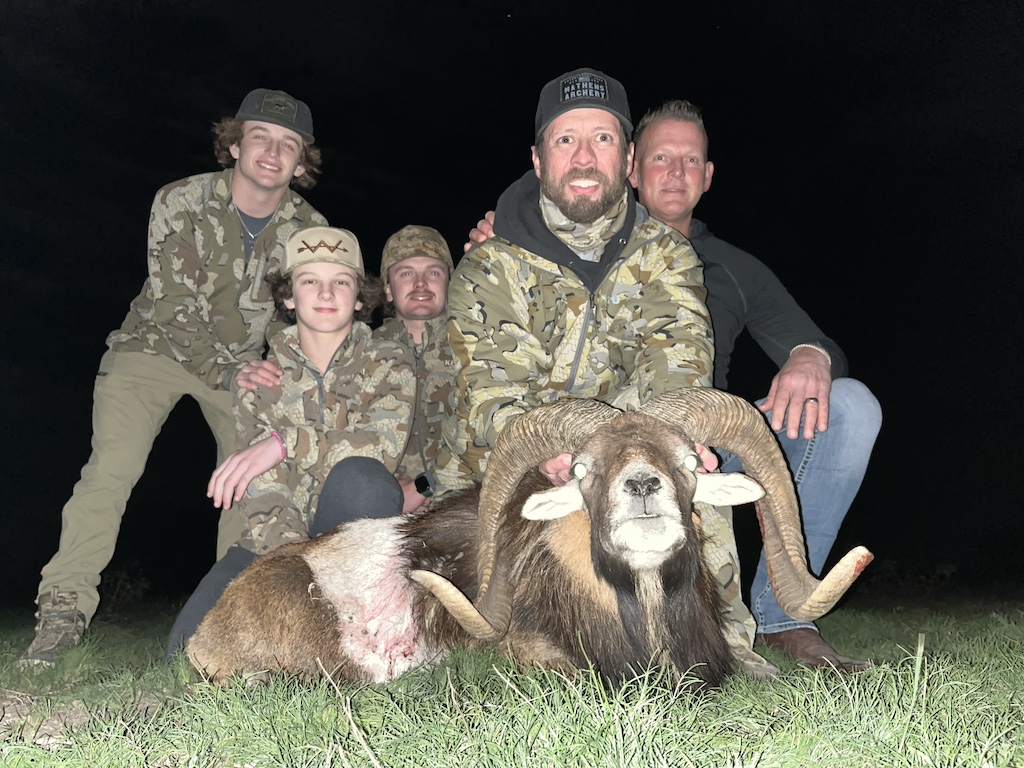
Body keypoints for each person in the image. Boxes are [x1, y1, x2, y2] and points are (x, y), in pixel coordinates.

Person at [437, 68, 772, 677]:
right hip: (513, 468)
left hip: (626, 455)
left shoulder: (667, 255)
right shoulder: (490, 266)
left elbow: (678, 374)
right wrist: (556, 455)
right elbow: (491, 399)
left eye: (603, 139)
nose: (585, 157)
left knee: (688, 471)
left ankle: (727, 640)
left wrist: (675, 443)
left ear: (628, 160)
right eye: (565, 140)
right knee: (511, 616)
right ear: (538, 160)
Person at [22, 88, 327, 667]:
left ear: (300, 163)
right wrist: (230, 370)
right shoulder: (181, 200)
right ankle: (62, 608)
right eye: (260, 137)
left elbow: (302, 316)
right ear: (234, 145)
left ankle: (235, 618)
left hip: (242, 364)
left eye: (288, 144)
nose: (272, 152)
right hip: (153, 348)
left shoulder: (308, 230)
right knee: (111, 470)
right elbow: (173, 307)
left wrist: (281, 378)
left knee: (256, 477)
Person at [628, 100, 881, 670]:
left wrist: (810, 356)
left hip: (710, 448)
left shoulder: (733, 267)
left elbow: (819, 344)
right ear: (631, 170)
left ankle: (784, 615)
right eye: (660, 158)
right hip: (617, 442)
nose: (676, 172)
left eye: (690, 160)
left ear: (708, 176)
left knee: (850, 406)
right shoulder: (591, 249)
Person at [165, 226, 416, 655]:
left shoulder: (390, 360)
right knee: (185, 652)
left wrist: (283, 444)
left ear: (359, 298)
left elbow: (379, 447)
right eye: (309, 280)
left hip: (354, 537)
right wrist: (291, 570)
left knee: (364, 480)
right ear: (288, 297)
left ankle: (358, 626)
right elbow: (263, 488)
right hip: (277, 541)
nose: (325, 293)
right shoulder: (258, 382)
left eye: (341, 281)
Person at [373, 225, 456, 514]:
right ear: (388, 289)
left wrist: (425, 486)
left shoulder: (478, 347)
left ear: (449, 283)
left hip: (463, 502)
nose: (421, 284)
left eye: (433, 272)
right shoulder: (361, 353)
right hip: (382, 506)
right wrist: (386, 490)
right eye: (406, 273)